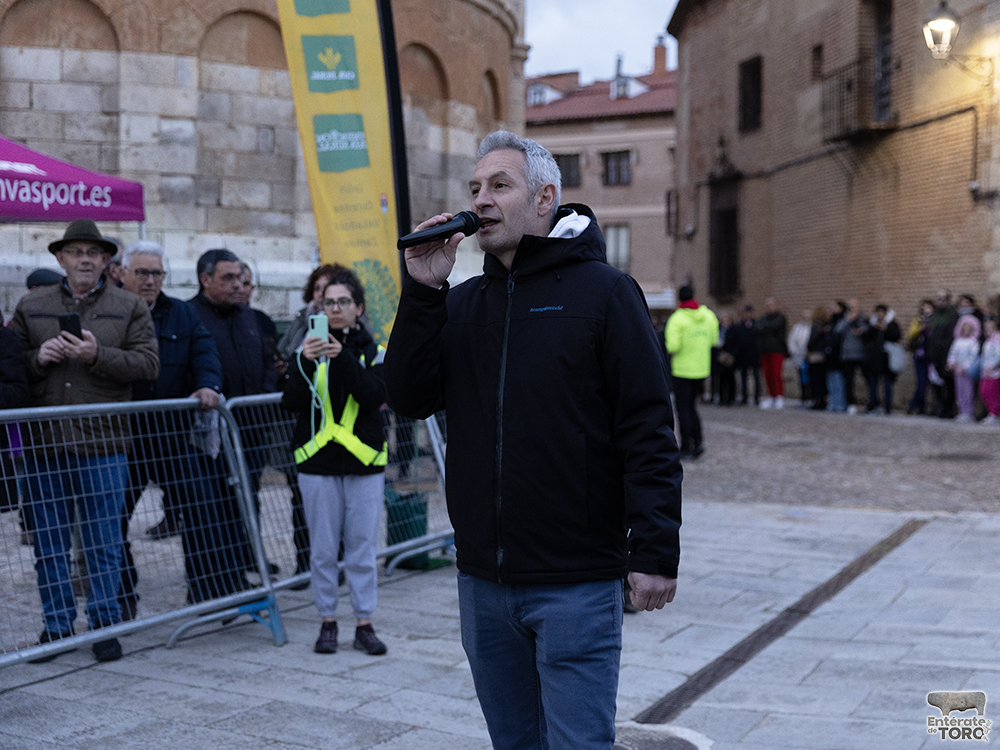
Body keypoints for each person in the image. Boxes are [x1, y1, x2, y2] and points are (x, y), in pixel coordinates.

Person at [384, 130, 681, 750]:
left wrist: (654, 550)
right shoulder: (462, 303)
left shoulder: (605, 294)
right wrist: (422, 291)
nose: (482, 200)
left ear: (544, 198)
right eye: (474, 188)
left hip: (576, 582)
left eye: (500, 185)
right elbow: (409, 398)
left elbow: (648, 426)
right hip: (483, 584)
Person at [11, 219, 159, 663]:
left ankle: (103, 624)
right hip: (45, 446)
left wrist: (98, 355)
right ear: (60, 259)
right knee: (49, 544)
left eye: (94, 253)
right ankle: (56, 627)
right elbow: (10, 364)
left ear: (106, 260)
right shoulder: (31, 306)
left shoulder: (129, 305)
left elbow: (148, 364)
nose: (85, 259)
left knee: (103, 542)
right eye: (76, 252)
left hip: (103, 444)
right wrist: (37, 357)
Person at [118, 241, 246, 610]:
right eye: (141, 272)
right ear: (122, 274)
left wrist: (209, 384)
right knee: (111, 520)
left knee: (203, 510)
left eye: (157, 273)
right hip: (123, 439)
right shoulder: (110, 312)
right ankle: (122, 599)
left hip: (173, 434)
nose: (150, 280)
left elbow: (204, 351)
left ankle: (208, 594)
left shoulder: (180, 314)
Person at [283, 266, 388, 656]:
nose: (336, 309)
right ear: (319, 308)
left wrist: (341, 356)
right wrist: (305, 363)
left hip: (363, 462)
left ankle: (364, 621)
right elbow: (291, 403)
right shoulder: (306, 351)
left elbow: (372, 395)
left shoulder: (375, 352)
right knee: (324, 550)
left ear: (359, 308)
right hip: (318, 464)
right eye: (328, 302)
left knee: (361, 549)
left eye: (344, 302)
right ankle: (327, 620)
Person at [190, 249, 278, 575]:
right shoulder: (190, 316)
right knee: (210, 507)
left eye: (240, 278)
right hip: (210, 434)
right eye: (228, 278)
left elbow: (268, 360)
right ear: (205, 279)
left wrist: (266, 394)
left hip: (251, 428)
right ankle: (211, 583)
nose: (238, 285)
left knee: (246, 498)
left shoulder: (249, 317)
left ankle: (243, 567)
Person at [665, 286, 718, 458]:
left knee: (683, 409)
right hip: (701, 369)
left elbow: (673, 346)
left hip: (682, 370)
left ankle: (686, 446)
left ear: (679, 300)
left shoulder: (677, 319)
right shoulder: (708, 316)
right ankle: (699, 442)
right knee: (693, 407)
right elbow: (713, 340)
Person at [277, 264, 340, 362]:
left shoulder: (342, 320)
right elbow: (283, 349)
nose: (320, 294)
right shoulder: (301, 317)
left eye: (326, 288)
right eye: (317, 288)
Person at [861, 304, 901, 414]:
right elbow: (865, 337)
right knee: (873, 383)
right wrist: (874, 327)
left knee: (887, 383)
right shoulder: (872, 324)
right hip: (874, 360)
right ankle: (873, 403)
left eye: (882, 312)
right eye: (878, 312)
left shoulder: (891, 324)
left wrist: (886, 329)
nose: (880, 314)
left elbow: (896, 336)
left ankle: (887, 406)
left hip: (887, 359)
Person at [927, 291, 958, 418]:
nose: (941, 301)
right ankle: (939, 405)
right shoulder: (933, 315)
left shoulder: (952, 315)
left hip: (948, 353)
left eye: (944, 299)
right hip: (934, 353)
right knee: (935, 381)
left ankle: (948, 408)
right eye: (939, 298)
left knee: (949, 382)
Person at [947, 315, 981, 423]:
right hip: (957, 370)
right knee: (959, 391)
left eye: (969, 329)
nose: (966, 331)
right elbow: (952, 353)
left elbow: (973, 356)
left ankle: (968, 412)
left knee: (968, 392)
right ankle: (961, 411)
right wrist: (951, 363)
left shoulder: (973, 342)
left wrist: (965, 367)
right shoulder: (957, 341)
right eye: (964, 328)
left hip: (967, 371)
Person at [755, 297, 788, 409]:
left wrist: (764, 327)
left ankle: (779, 396)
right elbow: (757, 328)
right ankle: (771, 396)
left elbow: (773, 327)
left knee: (776, 374)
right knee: (767, 375)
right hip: (764, 350)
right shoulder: (763, 318)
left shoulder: (781, 318)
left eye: (771, 305)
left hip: (777, 350)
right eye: (767, 305)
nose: (769, 307)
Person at [838, 299, 868, 414]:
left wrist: (861, 330)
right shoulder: (845, 318)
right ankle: (851, 403)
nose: (852, 308)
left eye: (854, 306)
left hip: (861, 354)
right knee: (849, 381)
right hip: (847, 354)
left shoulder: (863, 317)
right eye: (850, 306)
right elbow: (838, 330)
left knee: (866, 378)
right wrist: (847, 320)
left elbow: (868, 329)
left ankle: (869, 402)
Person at [906, 300, 935, 415]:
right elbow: (910, 334)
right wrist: (920, 328)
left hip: (929, 355)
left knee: (926, 383)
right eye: (924, 308)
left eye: (928, 307)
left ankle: (918, 406)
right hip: (918, 355)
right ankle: (916, 406)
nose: (926, 310)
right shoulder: (918, 320)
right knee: (920, 382)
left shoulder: (934, 321)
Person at [731, 304, 761, 405]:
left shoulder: (757, 324)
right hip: (743, 355)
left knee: (756, 376)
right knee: (743, 377)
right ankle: (744, 397)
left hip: (754, 354)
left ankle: (757, 397)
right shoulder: (739, 326)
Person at [824, 301, 847, 412]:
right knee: (830, 379)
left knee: (838, 379)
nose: (832, 308)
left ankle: (840, 403)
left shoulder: (842, 320)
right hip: (829, 354)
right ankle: (832, 402)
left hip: (838, 355)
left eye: (835, 306)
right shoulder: (831, 321)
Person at [806, 306, 829, 411]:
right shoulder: (826, 327)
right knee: (821, 380)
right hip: (823, 356)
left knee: (815, 380)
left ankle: (817, 400)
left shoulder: (816, 327)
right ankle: (822, 400)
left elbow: (810, 343)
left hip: (815, 356)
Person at [787, 308, 811, 406]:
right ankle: (803, 397)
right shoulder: (797, 328)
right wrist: (795, 352)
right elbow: (792, 341)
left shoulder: (812, 327)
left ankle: (810, 397)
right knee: (802, 378)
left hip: (809, 356)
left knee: (810, 378)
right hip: (799, 356)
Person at [979, 316, 1000, 424]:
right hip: (985, 371)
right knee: (983, 391)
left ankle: (994, 414)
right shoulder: (988, 340)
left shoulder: (997, 339)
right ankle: (991, 412)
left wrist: (994, 365)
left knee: (993, 393)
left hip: (995, 372)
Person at [716, 312, 738, 406]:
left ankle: (730, 398)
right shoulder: (719, 330)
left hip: (730, 358)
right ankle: (721, 398)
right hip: (720, 357)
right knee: (721, 379)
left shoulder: (733, 330)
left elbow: (736, 344)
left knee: (730, 379)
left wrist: (731, 355)